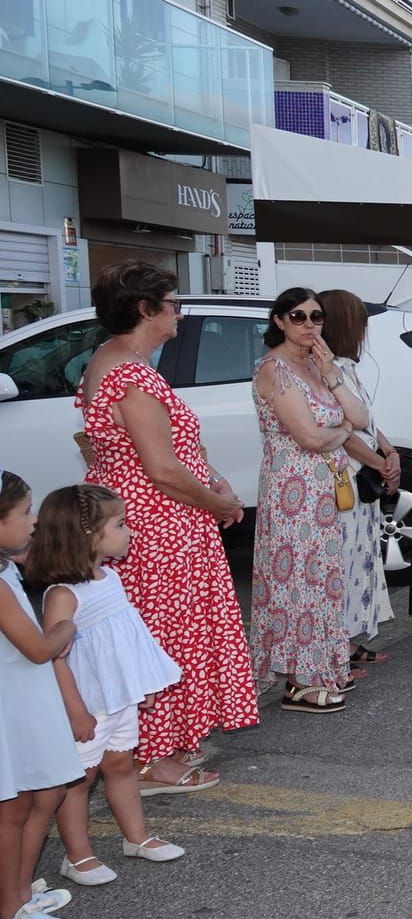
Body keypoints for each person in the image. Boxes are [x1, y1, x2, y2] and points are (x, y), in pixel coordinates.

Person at [77, 263, 250, 795]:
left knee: (167, 634)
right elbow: (162, 467)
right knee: (167, 637)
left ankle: (161, 746)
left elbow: (175, 454)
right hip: (157, 527)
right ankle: (152, 757)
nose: (179, 312)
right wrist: (216, 503)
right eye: (173, 303)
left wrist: (216, 485)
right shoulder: (128, 373)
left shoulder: (119, 364)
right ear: (146, 309)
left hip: (154, 521)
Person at [28, 485, 185, 887]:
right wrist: (75, 710)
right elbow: (53, 658)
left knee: (120, 765)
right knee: (77, 781)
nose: (129, 531)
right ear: (87, 536)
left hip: (118, 698)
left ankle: (137, 837)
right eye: (120, 524)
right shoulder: (63, 596)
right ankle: (77, 857)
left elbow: (127, 637)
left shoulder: (109, 576)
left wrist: (143, 683)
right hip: (88, 705)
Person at [251, 287, 369, 713]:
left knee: (323, 580)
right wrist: (339, 435)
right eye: (297, 317)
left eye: (316, 317)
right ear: (279, 320)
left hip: (323, 491)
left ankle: (322, 667)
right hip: (291, 494)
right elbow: (310, 436)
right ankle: (299, 680)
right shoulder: (273, 369)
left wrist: (332, 374)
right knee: (296, 583)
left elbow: (361, 418)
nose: (308, 325)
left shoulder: (319, 368)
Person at [0, 469, 84, 919]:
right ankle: (10, 914)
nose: (33, 522)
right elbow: (37, 648)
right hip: (10, 703)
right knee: (10, 809)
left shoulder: (4, 566)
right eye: (25, 512)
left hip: (17, 698)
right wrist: (66, 628)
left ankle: (13, 896)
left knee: (23, 802)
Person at [319, 290, 399, 672]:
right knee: (344, 563)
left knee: (360, 561)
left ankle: (349, 641)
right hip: (345, 477)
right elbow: (342, 430)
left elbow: (367, 419)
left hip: (363, 472)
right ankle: (338, 646)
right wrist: (380, 464)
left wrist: (389, 451)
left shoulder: (346, 367)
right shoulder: (325, 370)